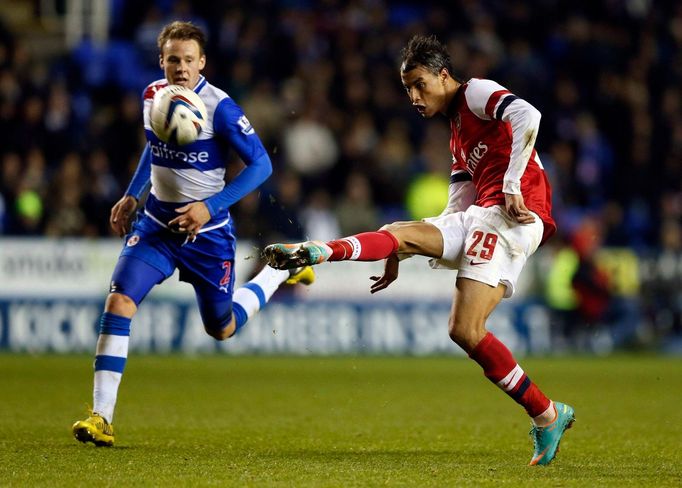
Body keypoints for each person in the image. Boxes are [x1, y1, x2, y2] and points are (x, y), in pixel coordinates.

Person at [264, 34, 574, 466]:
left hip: (513, 214)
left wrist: (509, 183)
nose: (413, 95)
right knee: (451, 311)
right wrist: (405, 249)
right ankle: (320, 251)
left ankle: (547, 415)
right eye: (407, 87)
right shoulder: (457, 139)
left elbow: (529, 114)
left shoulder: (475, 92)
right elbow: (456, 209)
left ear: (444, 75)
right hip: (485, 215)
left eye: (419, 84)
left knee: (464, 327)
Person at [72, 21, 314, 447]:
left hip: (209, 235)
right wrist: (133, 195)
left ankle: (280, 271)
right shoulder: (152, 96)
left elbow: (261, 165)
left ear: (202, 62)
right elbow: (155, 146)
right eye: (172, 60)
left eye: (187, 60)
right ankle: (100, 417)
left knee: (221, 329)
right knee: (119, 301)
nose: (179, 68)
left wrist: (210, 206)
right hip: (157, 227)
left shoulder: (220, 107)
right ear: (161, 61)